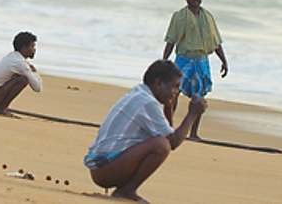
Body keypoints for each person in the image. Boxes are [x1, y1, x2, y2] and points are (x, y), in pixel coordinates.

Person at [85, 60, 207, 203]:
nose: (175, 93)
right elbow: (172, 142)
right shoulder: (148, 102)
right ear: (159, 83)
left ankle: (125, 189)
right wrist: (192, 114)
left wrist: (168, 107)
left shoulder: (140, 93)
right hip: (106, 170)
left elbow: (166, 131)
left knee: (161, 141)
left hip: (102, 167)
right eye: (174, 87)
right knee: (160, 146)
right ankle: (126, 191)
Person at [162, 0, 228, 140]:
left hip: (202, 60)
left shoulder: (208, 17)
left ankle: (193, 133)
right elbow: (170, 40)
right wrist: (164, 61)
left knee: (198, 97)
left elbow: (216, 41)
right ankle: (166, 128)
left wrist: (224, 61)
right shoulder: (179, 17)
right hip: (183, 59)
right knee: (173, 94)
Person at [0, 31, 42, 116]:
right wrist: (35, 72)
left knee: (18, 76)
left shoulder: (12, 56)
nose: (34, 50)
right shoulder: (19, 62)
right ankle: (1, 108)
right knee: (22, 80)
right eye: (32, 46)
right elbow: (38, 87)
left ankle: (0, 107)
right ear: (24, 47)